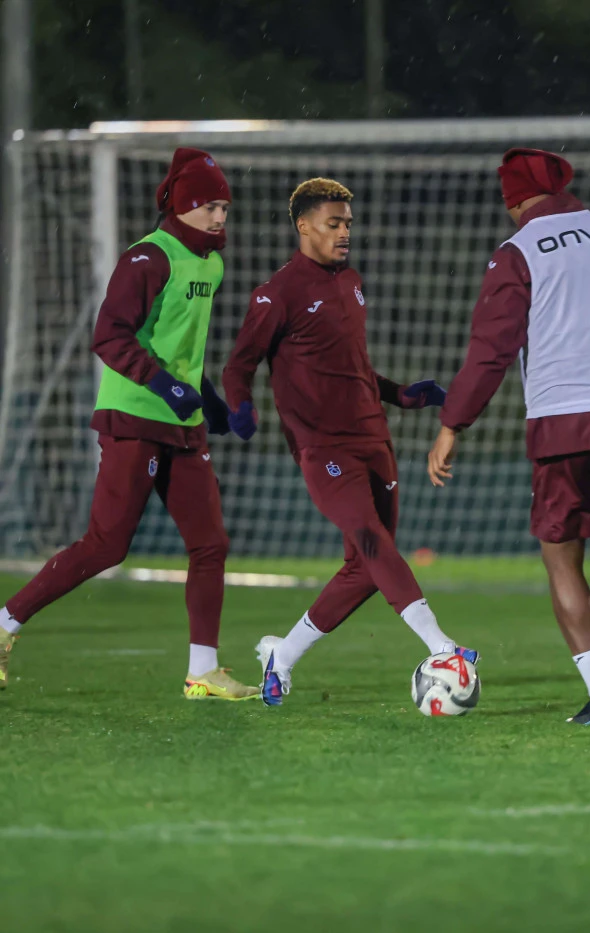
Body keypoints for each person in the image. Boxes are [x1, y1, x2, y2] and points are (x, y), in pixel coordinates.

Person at [428, 148, 590, 726]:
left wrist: (453, 423)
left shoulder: (517, 251)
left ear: (515, 199)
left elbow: (491, 352)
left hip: (561, 421)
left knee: (561, 557)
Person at [0, 148, 258, 703]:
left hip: (181, 422)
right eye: (210, 207)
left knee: (210, 543)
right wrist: (164, 386)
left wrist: (208, 400)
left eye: (225, 208)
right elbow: (110, 335)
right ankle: (4, 622)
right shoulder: (148, 257)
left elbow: (181, 348)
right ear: (183, 205)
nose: (220, 217)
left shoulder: (211, 264)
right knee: (107, 545)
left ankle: (203, 671)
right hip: (135, 416)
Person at [223, 177, 479, 706]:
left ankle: (282, 656)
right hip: (323, 448)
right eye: (333, 224)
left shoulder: (351, 281)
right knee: (371, 540)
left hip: (373, 439)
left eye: (348, 224)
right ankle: (442, 645)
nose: (344, 233)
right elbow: (238, 366)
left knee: (365, 568)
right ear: (304, 226)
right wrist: (241, 406)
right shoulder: (277, 294)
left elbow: (355, 368)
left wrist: (401, 394)